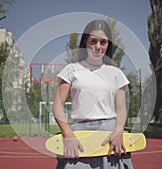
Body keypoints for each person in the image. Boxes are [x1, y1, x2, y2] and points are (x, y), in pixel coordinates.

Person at [52, 19, 133, 169]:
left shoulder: (116, 73)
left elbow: (121, 109)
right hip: (78, 138)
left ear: (108, 45)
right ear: (85, 42)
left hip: (110, 137)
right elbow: (57, 106)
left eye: (103, 42)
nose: (98, 47)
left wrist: (119, 130)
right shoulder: (71, 69)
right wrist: (68, 135)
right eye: (93, 41)